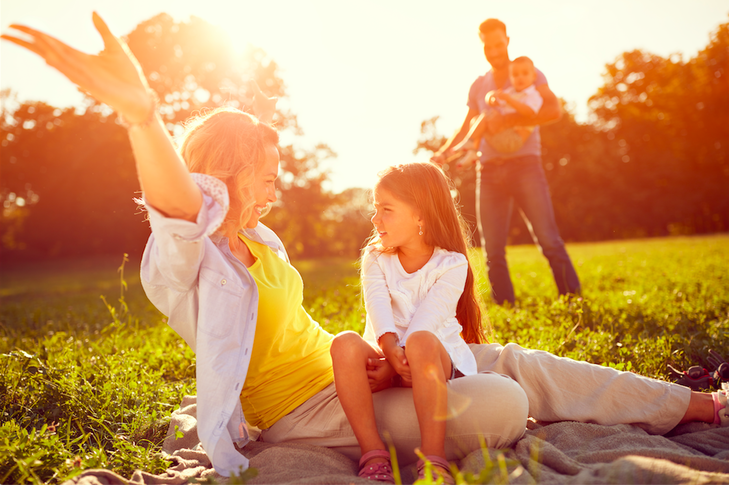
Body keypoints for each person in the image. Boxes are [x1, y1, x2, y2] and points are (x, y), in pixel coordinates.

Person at [3, 14, 725, 481]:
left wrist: (381, 363)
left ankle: (700, 408)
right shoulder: (187, 263)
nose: (274, 192)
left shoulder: (260, 239)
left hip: (355, 375)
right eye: (265, 177)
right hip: (309, 414)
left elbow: (314, 334)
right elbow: (178, 207)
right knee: (504, 402)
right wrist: (141, 117)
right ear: (224, 175)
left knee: (514, 361)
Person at [330, 162, 485, 483]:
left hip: (433, 358)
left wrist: (395, 365)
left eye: (386, 209)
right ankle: (373, 454)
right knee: (343, 342)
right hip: (388, 352)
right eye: (375, 209)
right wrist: (388, 355)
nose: (375, 219)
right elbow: (378, 308)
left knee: (420, 340)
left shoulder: (451, 264)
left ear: (421, 216)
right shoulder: (375, 257)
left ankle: (433, 460)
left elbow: (427, 320)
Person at [433, 19, 581, 305]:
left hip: (525, 165)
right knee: (492, 249)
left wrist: (510, 118)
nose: (494, 50)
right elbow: (467, 126)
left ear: (508, 41)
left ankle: (573, 300)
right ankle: (507, 306)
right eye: (488, 45)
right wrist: (444, 151)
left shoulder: (528, 72)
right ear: (483, 47)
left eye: (499, 44)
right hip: (487, 170)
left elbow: (553, 110)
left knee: (548, 239)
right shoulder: (479, 84)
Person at [451, 56, 544, 167]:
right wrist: (492, 98)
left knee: (485, 115)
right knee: (475, 120)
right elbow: (493, 99)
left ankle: (470, 141)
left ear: (534, 76)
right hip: (503, 133)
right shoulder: (510, 92)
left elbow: (529, 112)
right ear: (510, 78)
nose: (520, 77)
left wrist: (509, 100)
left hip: (514, 139)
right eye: (515, 75)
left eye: (524, 73)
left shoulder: (533, 95)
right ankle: (473, 151)